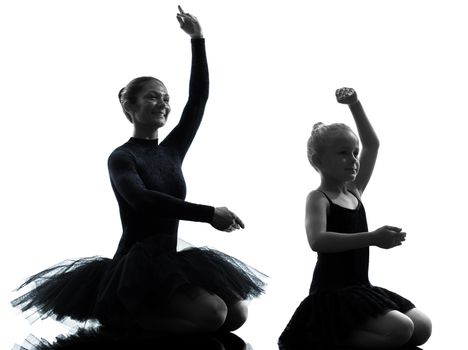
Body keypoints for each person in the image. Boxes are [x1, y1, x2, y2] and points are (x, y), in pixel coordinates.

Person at [12, 6, 264, 335]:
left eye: (165, 98)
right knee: (214, 315)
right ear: (130, 107)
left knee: (238, 313)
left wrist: (198, 39)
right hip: (137, 265)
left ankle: (159, 320)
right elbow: (143, 199)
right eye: (152, 97)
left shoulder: (172, 150)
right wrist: (208, 213)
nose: (162, 103)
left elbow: (198, 99)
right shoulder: (122, 157)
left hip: (170, 260)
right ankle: (130, 321)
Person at [278, 87, 432, 349]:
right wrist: (373, 238)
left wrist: (355, 104)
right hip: (331, 295)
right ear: (319, 160)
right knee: (402, 330)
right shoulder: (318, 198)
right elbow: (318, 240)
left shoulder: (355, 192)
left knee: (422, 328)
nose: (353, 160)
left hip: (361, 288)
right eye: (342, 153)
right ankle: (320, 337)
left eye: (354, 152)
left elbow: (373, 144)